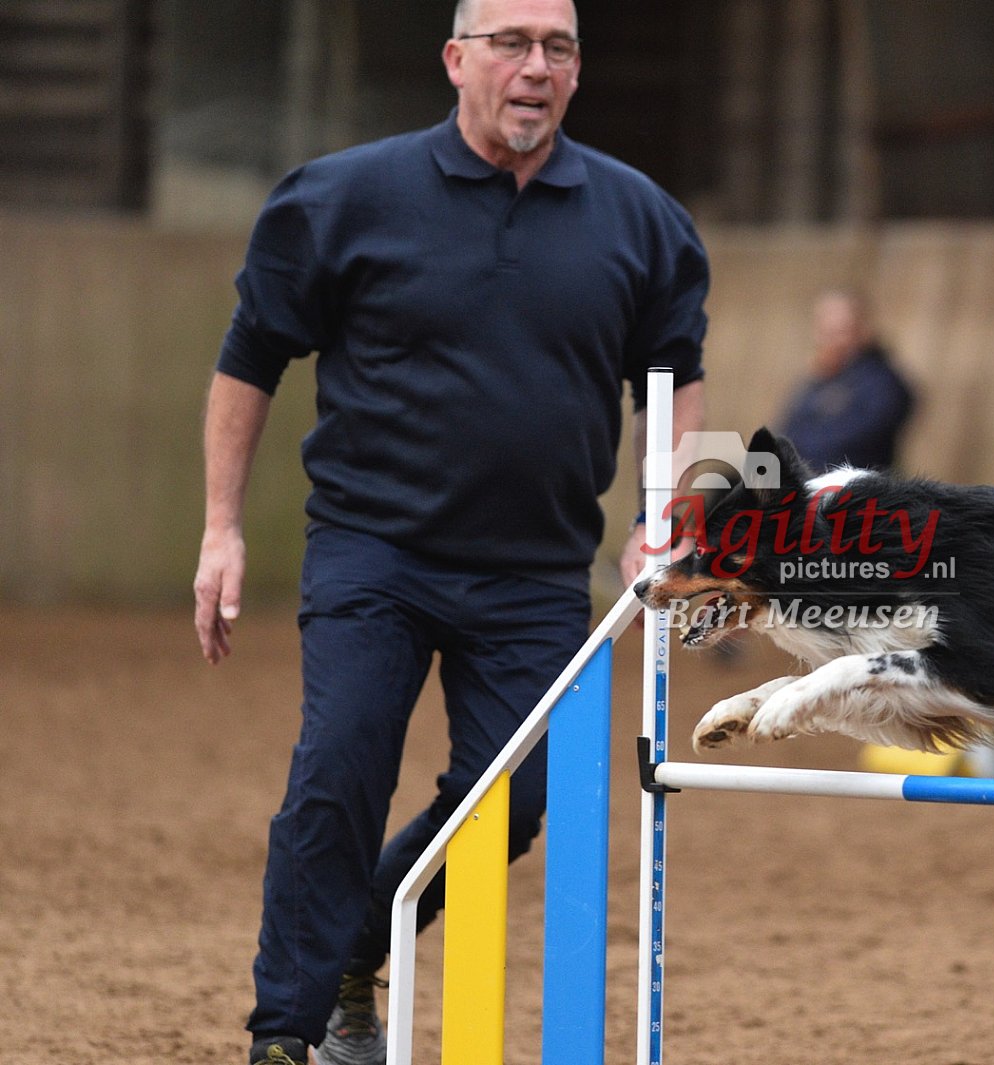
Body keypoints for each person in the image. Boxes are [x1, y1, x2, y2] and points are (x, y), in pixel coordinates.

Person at [191, 2, 708, 1063]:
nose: (536, 66)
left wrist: (661, 514)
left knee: (513, 804)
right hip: (372, 552)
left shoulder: (643, 220)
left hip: (536, 573)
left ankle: (356, 946)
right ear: (456, 59)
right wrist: (220, 528)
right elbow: (250, 359)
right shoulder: (342, 197)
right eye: (512, 43)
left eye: (558, 47)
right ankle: (285, 1035)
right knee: (338, 780)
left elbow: (673, 380)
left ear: (577, 71)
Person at [777, 288, 914, 471]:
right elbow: (786, 433)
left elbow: (849, 445)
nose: (830, 341)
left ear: (863, 330)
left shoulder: (882, 384)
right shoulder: (817, 383)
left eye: (840, 331)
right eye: (825, 331)